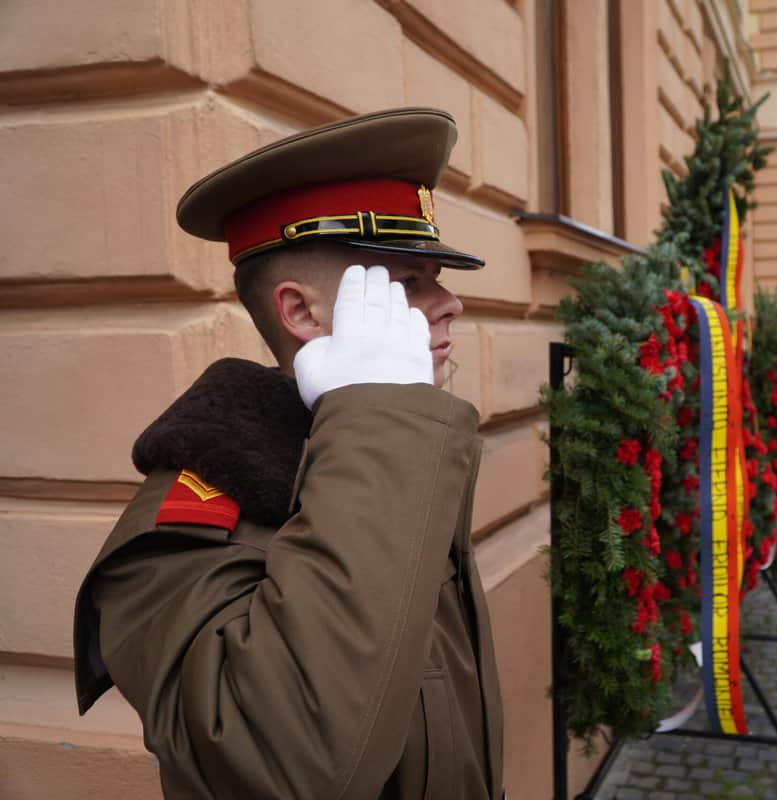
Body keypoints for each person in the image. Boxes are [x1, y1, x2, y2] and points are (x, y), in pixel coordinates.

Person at [72, 109, 505, 799]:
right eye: (411, 283)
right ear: (302, 314)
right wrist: (380, 415)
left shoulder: (399, 459)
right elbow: (292, 765)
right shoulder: (184, 531)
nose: (450, 302)